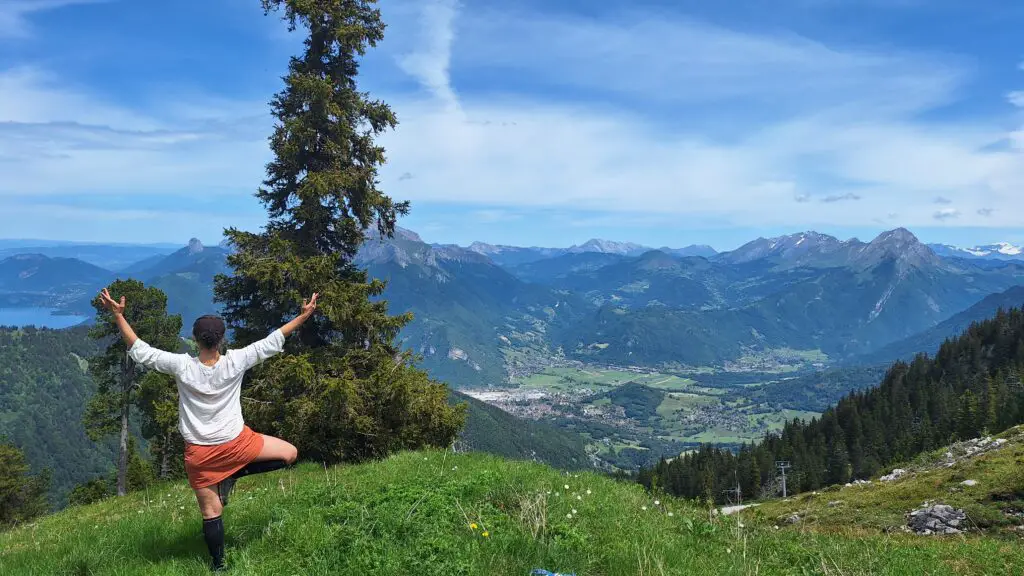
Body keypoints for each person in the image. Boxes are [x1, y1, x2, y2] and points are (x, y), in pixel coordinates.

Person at [97, 288, 319, 571]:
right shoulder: (236, 360)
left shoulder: (181, 366)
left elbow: (141, 351)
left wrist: (118, 316)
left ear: (195, 339)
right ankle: (235, 472)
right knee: (289, 454)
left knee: (211, 514)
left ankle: (218, 566)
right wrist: (302, 316)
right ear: (221, 340)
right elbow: (272, 341)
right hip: (238, 444)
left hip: (200, 454)